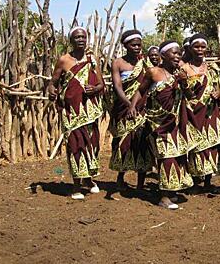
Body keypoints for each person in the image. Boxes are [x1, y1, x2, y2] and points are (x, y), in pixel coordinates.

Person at [132, 40, 193, 209]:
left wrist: (183, 82)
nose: (177, 56)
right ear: (163, 55)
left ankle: (171, 190)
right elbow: (140, 91)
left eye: (179, 53)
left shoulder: (181, 73)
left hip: (175, 122)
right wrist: (132, 106)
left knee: (176, 155)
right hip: (157, 122)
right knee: (165, 155)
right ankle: (164, 197)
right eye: (173, 53)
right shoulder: (153, 72)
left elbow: (189, 95)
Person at [47, 26, 104, 200]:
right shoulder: (63, 60)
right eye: (77, 37)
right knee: (75, 146)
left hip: (90, 110)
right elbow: (53, 82)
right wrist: (51, 91)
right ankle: (76, 186)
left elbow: (101, 84)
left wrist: (94, 88)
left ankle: (88, 180)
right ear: (71, 40)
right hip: (72, 111)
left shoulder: (93, 60)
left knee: (91, 145)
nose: (81, 40)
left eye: (83, 37)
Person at [180, 33, 220, 191]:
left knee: (212, 146)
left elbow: (219, 90)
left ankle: (208, 182)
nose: (200, 49)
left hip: (211, 112)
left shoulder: (213, 68)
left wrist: (218, 94)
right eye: (196, 46)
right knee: (196, 147)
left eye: (203, 47)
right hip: (192, 113)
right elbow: (182, 93)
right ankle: (195, 180)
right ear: (191, 48)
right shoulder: (185, 69)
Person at [109, 29, 153, 191]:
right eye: (133, 45)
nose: (137, 48)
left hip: (143, 108)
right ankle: (120, 177)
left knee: (142, 143)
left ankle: (141, 183)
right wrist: (129, 105)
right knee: (123, 143)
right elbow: (117, 87)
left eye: (139, 45)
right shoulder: (118, 63)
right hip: (123, 109)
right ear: (125, 45)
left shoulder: (146, 63)